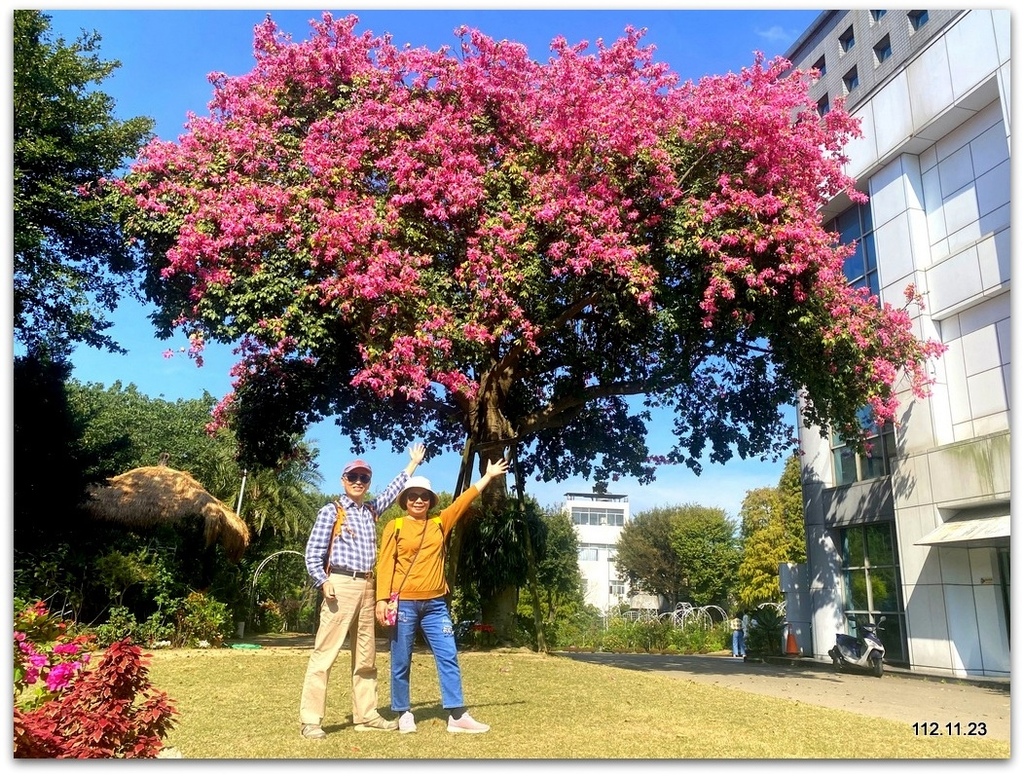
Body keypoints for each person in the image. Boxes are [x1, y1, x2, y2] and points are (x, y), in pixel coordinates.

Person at [298, 443, 426, 740]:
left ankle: (366, 715)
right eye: (353, 476)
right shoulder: (332, 511)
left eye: (364, 478)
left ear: (368, 483)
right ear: (343, 480)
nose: (358, 481)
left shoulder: (370, 511)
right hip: (339, 586)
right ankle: (311, 720)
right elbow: (312, 553)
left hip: (368, 586)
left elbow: (393, 490)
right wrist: (322, 580)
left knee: (366, 655)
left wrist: (412, 465)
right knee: (324, 654)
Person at [374, 456, 509, 735]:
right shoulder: (395, 527)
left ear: (431, 501)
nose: (419, 501)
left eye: (424, 496)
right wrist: (381, 600)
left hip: (436, 604)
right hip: (405, 605)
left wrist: (488, 476)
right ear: (405, 500)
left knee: (448, 655)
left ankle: (457, 715)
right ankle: (403, 712)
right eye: (413, 496)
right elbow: (385, 564)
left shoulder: (439, 523)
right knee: (401, 659)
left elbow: (463, 501)